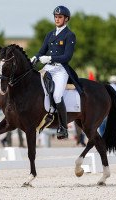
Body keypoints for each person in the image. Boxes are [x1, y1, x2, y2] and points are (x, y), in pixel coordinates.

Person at [30, 6, 82, 140]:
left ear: (66, 19)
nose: (57, 19)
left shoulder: (70, 35)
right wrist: (35, 57)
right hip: (48, 68)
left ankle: (63, 127)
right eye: (56, 17)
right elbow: (42, 51)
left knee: (58, 95)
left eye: (60, 17)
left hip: (60, 70)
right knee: (35, 85)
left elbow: (67, 57)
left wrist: (50, 58)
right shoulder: (50, 34)